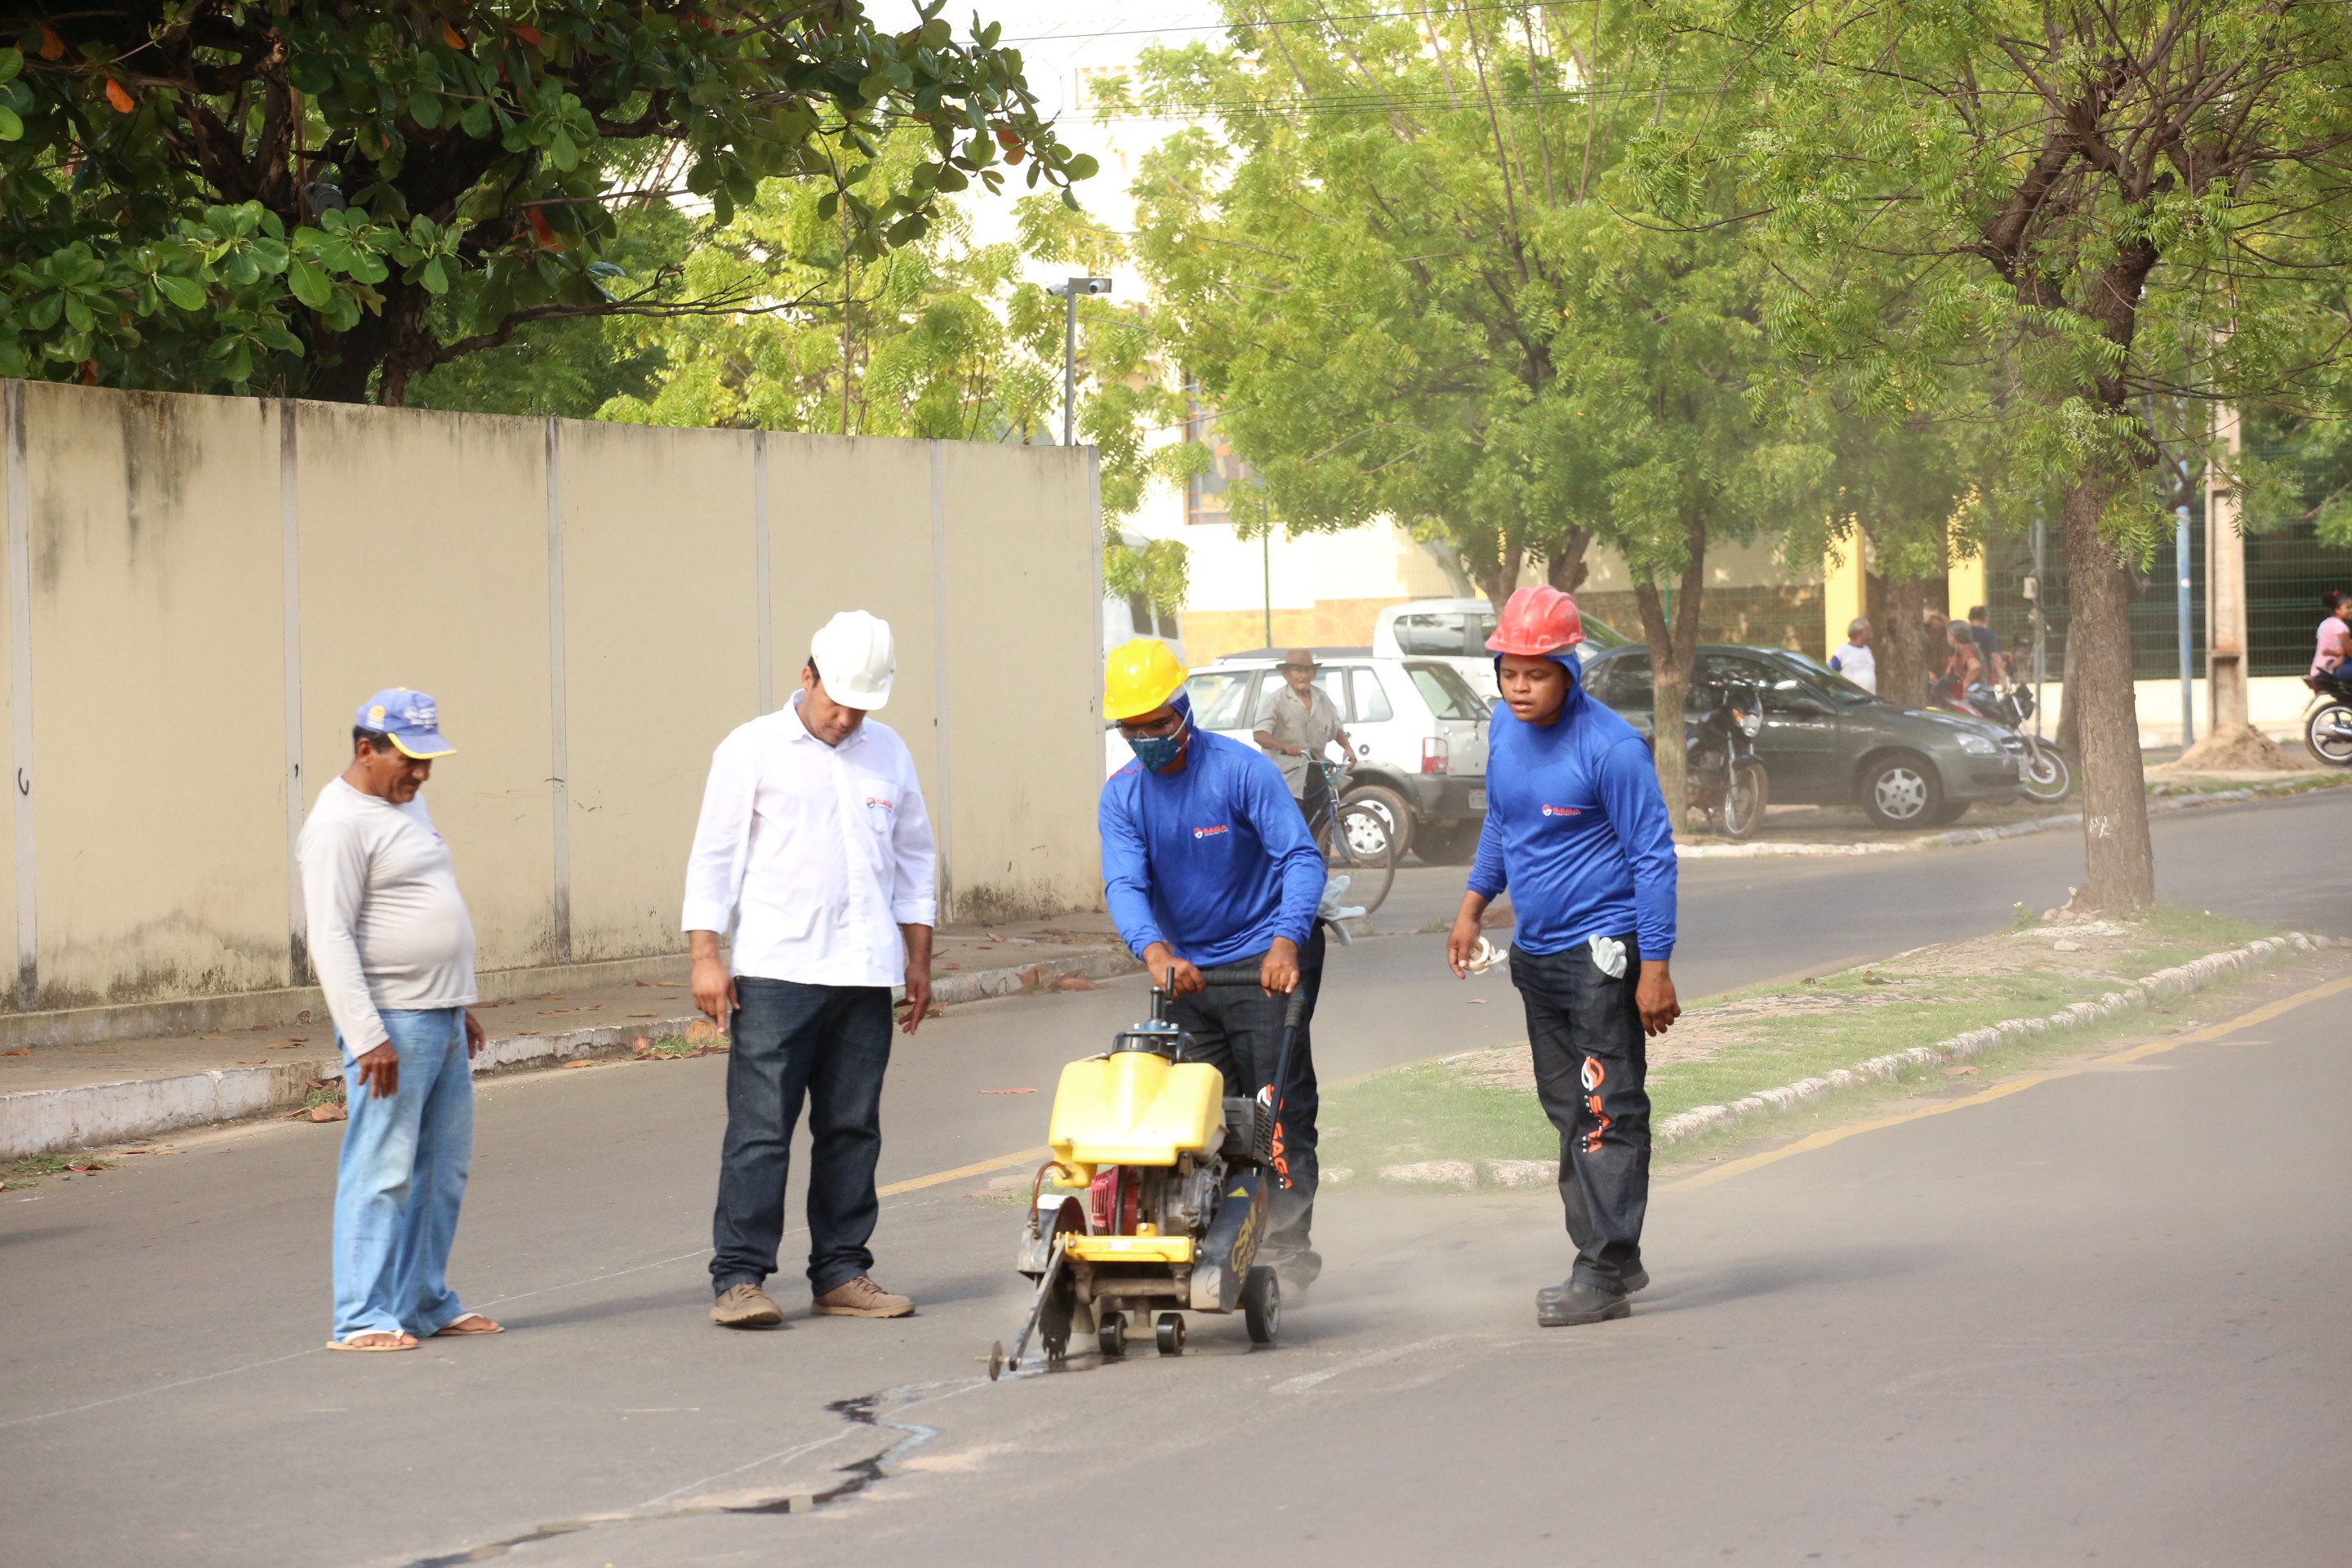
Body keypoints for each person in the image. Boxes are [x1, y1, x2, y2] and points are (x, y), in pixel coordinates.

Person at [684, 611, 937, 1330]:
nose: (846, 719)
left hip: (864, 973)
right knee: (762, 1129)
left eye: (861, 707)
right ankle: (738, 1277)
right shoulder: (751, 749)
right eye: (836, 704)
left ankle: (841, 1270)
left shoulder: (888, 752)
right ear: (807, 677)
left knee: (853, 1126)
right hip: (777, 971)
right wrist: (707, 956)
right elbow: (714, 856)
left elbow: (915, 859)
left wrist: (918, 959)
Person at [1445, 588, 1680, 1328]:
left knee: (1608, 1108)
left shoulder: (1611, 748)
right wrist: (1472, 906)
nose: (1520, 686)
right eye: (1510, 671)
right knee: (1569, 1109)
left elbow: (1654, 858)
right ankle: (1609, 1257)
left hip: (1602, 955)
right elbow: (1505, 826)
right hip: (1536, 955)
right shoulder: (1505, 731)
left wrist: (1657, 966)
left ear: (1568, 670)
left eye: (1536, 673)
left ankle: (1603, 1269)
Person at [1100, 638, 1330, 1296]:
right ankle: (1216, 1241)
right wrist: (1155, 953)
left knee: (1273, 1114)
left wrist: (1287, 943)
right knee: (1202, 1121)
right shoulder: (1122, 797)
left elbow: (1300, 860)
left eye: (1157, 723)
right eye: (1132, 728)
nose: (1147, 738)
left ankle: (1285, 1254)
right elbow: (1124, 883)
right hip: (1187, 975)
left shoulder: (1240, 772)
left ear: (1183, 711)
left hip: (1264, 962)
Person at [300, 688, 501, 1352]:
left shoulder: (405, 804)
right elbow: (330, 938)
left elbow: (423, 901)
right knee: (381, 1169)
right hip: (392, 1024)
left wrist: (458, 1003)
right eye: (408, 761)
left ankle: (421, 1301)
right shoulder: (338, 823)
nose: (420, 775)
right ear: (366, 750)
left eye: (428, 762)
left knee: (444, 1170)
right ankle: (360, 1318)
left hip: (437, 1015)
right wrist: (366, 1038)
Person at [1251, 648, 1354, 828]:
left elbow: (1336, 727)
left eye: (1307, 671)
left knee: (1321, 825)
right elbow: (1259, 734)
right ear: (1287, 674)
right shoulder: (1277, 699)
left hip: (1317, 770)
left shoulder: (1322, 698)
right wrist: (1284, 746)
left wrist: (1347, 748)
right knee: (1292, 828)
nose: (1303, 675)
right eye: (1297, 670)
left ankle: (1321, 855)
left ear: (1313, 674)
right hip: (1288, 776)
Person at [1828, 617, 1877, 694]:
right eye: (1867, 629)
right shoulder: (1842, 651)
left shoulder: (1867, 650)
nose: (1871, 632)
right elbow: (1830, 673)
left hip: (1869, 700)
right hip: (1851, 701)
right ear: (1859, 632)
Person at [1943, 618, 1986, 703]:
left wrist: (1965, 685)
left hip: (1967, 698)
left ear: (1954, 636)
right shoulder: (1958, 650)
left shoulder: (1965, 649)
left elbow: (1975, 667)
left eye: (1948, 634)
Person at [2311, 590, 2349, 679]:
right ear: (2337, 610)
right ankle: (2330, 669)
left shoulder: (2324, 623)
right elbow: (2347, 650)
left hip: (2316, 667)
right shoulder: (2340, 626)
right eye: (2348, 608)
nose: (2351, 610)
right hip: (2333, 664)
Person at [1966, 605, 2004, 684]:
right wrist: (2002, 674)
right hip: (1983, 675)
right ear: (1985, 618)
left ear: (1969, 618)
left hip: (1965, 675)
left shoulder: (1963, 634)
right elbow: (1995, 656)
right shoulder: (1988, 634)